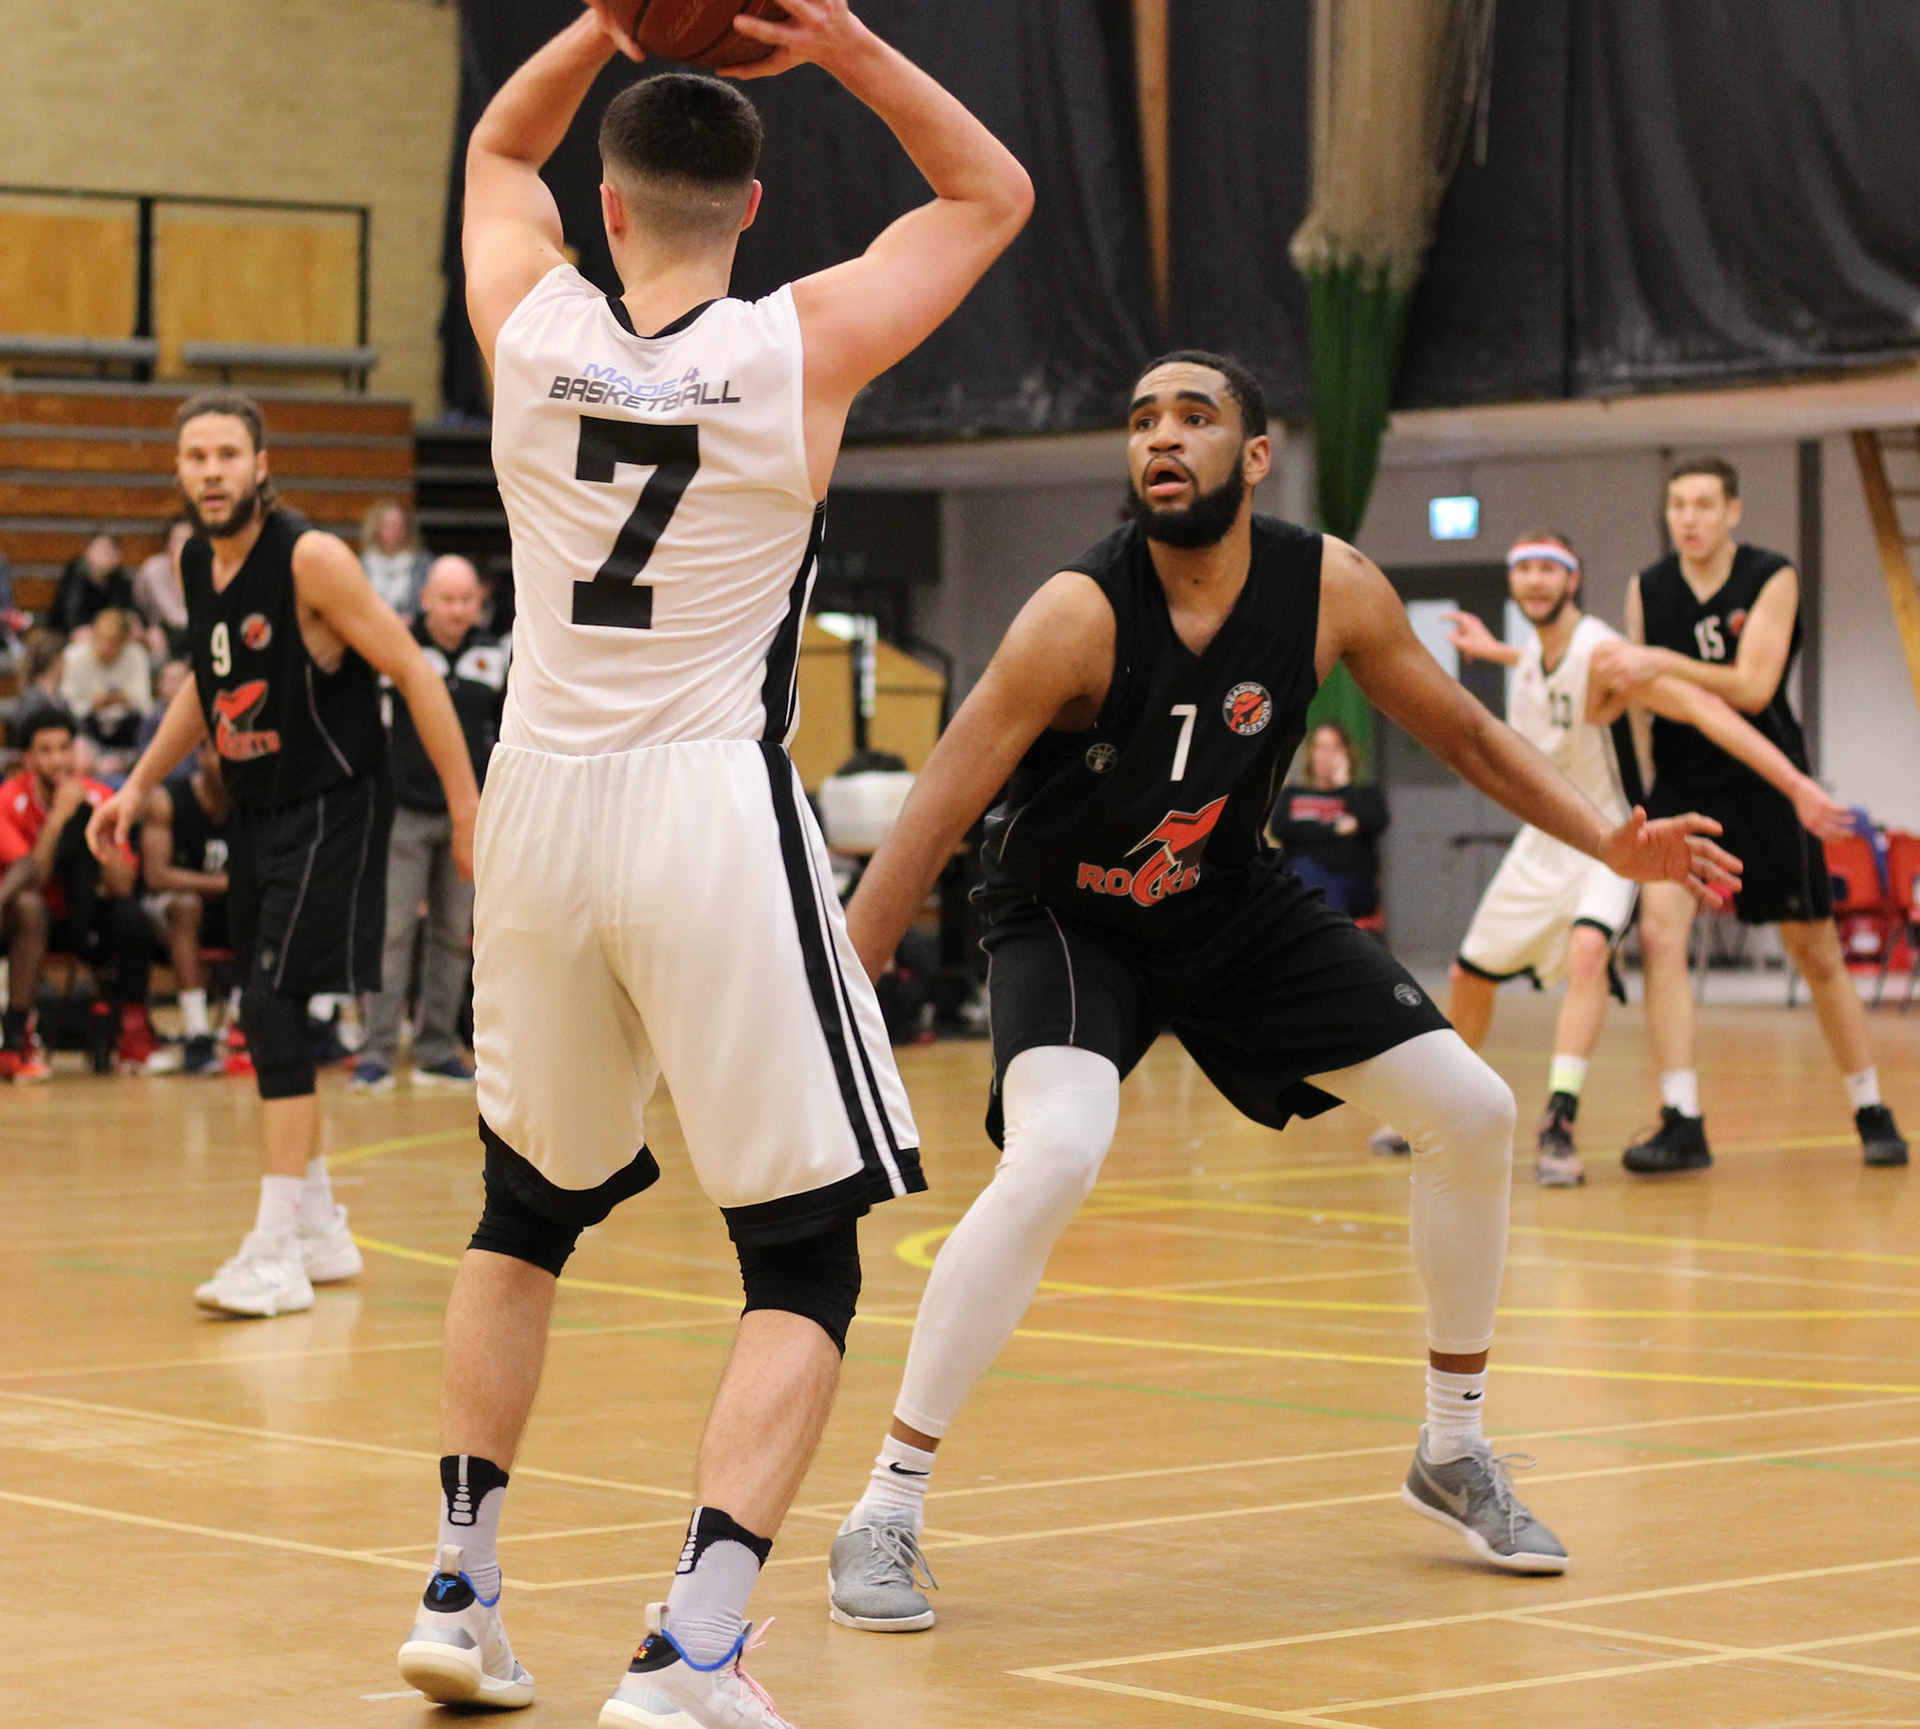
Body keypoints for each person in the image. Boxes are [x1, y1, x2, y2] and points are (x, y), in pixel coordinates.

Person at [821, 351, 1739, 1633]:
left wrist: (1605, 841)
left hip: (1226, 903)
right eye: (1142, 419)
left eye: (1194, 418)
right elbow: (934, 809)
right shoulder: (1075, 614)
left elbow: (1467, 734)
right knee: (1057, 1154)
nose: (1162, 437)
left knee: (1474, 1111)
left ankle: (1453, 1447)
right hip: (1073, 919)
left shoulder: (1331, 587)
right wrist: (843, 1003)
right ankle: (885, 1506)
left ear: (1255, 457)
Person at [390, 7, 1030, 1722]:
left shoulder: (529, 323)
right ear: (752, 207)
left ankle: (460, 1584)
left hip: (539, 802)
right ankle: (691, 1645)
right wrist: (845, 43)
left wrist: (602, 20)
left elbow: (495, 151)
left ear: (606, 208)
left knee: (523, 1209)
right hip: (707, 804)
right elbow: (993, 194)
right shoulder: (795, 344)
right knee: (805, 1252)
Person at [87, 391, 482, 1319]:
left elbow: (414, 670)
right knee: (268, 1006)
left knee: (269, 1003)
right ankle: (321, 1228)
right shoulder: (195, 562)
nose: (212, 470)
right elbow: (207, 683)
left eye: (228, 453)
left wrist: (468, 808)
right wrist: (138, 784)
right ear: (179, 471)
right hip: (259, 809)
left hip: (334, 802)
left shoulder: (310, 557)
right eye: (196, 456)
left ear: (260, 466)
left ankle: (274, 1247)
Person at [1372, 533, 1851, 1185]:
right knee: (1469, 977)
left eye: (1549, 568)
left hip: (1608, 838)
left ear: (1574, 579)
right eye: (1524, 568)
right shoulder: (1536, 653)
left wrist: (1795, 784)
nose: (1535, 580)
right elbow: (1549, 661)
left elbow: (1701, 707)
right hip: (1542, 842)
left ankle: (1559, 1122)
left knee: (1589, 951)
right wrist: (1496, 651)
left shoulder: (1605, 652)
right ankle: (1434, 1104)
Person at [1596, 456, 1909, 1171]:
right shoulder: (1648, 587)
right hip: (1682, 784)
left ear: (1733, 511)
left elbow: (1752, 685)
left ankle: (1871, 1107)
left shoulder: (1772, 575)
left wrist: (1657, 662)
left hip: (1766, 782)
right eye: (1678, 505)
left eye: (1704, 504)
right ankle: (1682, 1119)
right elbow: (1640, 698)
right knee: (1661, 935)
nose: (1690, 518)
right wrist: (1639, 788)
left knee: (1816, 952)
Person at [354, 555, 505, 1092]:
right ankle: (374, 1052)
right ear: (426, 601)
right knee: (392, 934)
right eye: (448, 599)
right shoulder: (400, 649)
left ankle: (436, 1048)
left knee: (452, 935)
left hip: (468, 817)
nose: (458, 610)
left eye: (467, 600)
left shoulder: (497, 653)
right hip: (404, 813)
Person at [0, 706, 161, 1080]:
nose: (58, 760)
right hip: (27, 920)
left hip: (82, 914)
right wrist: (58, 818)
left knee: (132, 918)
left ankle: (133, 1034)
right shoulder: (9, 799)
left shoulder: (100, 796)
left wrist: (97, 829)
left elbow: (122, 884)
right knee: (30, 906)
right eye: (46, 751)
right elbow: (33, 878)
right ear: (28, 759)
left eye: (64, 748)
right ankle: (16, 1039)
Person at [140, 739, 234, 1077]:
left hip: (231, 909)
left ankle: (245, 1025)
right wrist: (225, 885)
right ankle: (197, 1035)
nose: (227, 759)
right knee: (186, 906)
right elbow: (155, 876)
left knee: (268, 901)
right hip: (168, 913)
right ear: (201, 755)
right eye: (218, 751)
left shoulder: (254, 799)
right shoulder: (167, 799)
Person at [1270, 719, 1387, 917]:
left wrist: (1345, 785)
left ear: (1346, 753)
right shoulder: (1293, 794)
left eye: (1334, 748)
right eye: (1321, 747)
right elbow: (1280, 827)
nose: (1326, 755)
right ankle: (1332, 932)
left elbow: (1376, 820)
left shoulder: (1363, 794)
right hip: (1301, 878)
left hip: (1352, 885)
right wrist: (1334, 829)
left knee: (1319, 885)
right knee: (1305, 869)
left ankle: (1327, 931)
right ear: (1311, 753)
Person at [59, 606, 154, 761]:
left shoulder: (137, 655)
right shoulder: (74, 656)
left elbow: (145, 705)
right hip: (88, 727)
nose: (105, 647)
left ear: (124, 642)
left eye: (112, 643)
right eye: (100, 639)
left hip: (127, 727)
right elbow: (68, 703)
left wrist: (124, 700)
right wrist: (93, 704)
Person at [50, 533, 136, 635]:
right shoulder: (75, 576)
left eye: (111, 550)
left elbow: (127, 612)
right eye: (101, 550)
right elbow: (70, 619)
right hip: (70, 634)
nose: (106, 555)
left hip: (110, 634)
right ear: (88, 552)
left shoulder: (121, 580)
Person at [359, 500, 431, 618]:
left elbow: (427, 605)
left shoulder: (423, 564)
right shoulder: (361, 565)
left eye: (400, 526)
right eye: (390, 525)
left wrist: (414, 620)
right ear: (376, 528)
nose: (395, 531)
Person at [134, 518, 193, 657]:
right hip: (158, 627)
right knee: (156, 637)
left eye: (190, 541)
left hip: (188, 630)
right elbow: (174, 616)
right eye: (180, 540)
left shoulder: (203, 569)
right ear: (168, 543)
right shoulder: (155, 569)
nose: (186, 546)